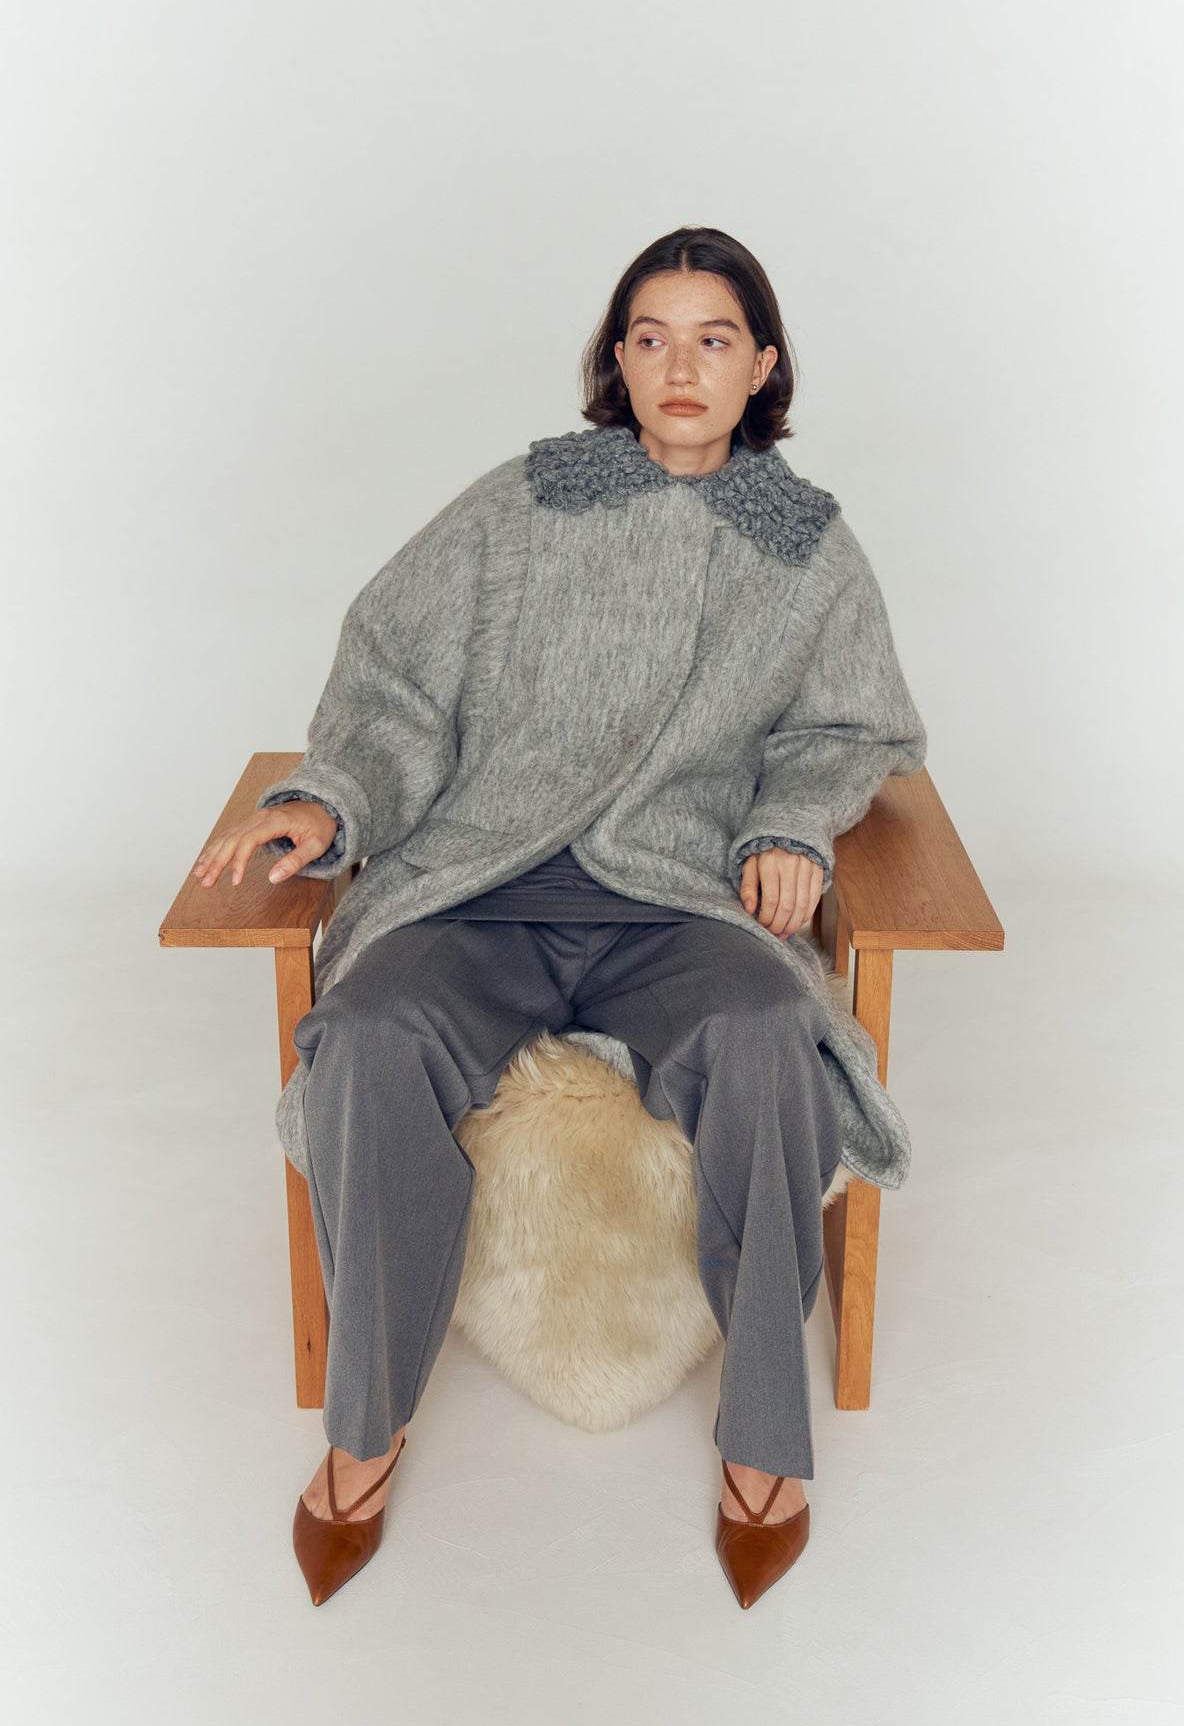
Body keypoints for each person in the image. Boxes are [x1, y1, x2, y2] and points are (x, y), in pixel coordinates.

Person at [193, 224, 927, 1610]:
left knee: (769, 1036)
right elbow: (394, 677)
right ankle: (366, 1425)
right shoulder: (532, 497)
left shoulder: (805, 541)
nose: (680, 366)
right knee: (367, 1036)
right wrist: (332, 802)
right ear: (617, 362)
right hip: (483, 883)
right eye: (650, 338)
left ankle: (765, 1439)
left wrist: (787, 824)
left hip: (680, 899)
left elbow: (854, 729)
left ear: (763, 365)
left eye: (713, 339)